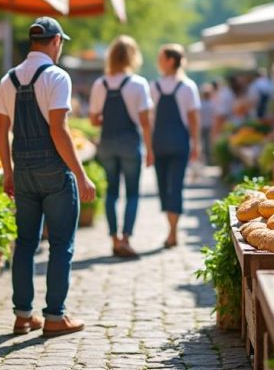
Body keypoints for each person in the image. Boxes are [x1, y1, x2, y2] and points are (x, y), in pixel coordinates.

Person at [0, 17, 95, 338]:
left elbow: (1, 129)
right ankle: (54, 316)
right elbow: (58, 130)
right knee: (61, 244)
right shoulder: (56, 77)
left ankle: (23, 316)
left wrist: (8, 171)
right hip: (54, 171)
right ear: (56, 41)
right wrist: (81, 174)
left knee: (25, 244)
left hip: (23, 171)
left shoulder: (8, 79)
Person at [88, 35, 154, 258]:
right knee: (132, 194)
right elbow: (145, 122)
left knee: (112, 193)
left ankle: (114, 239)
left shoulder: (100, 84)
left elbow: (93, 120)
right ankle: (126, 238)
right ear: (133, 57)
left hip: (107, 143)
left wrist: (108, 120)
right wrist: (150, 150)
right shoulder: (138, 83)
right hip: (130, 143)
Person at [151, 44, 201, 249]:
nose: (158, 62)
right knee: (174, 186)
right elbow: (193, 119)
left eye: (161, 58)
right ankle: (172, 230)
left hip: (160, 142)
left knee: (165, 186)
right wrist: (196, 144)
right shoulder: (187, 86)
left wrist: (149, 146)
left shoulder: (155, 86)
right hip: (179, 142)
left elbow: (150, 119)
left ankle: (172, 231)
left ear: (171, 61)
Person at [199, 82, 215, 165]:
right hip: (209, 126)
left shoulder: (201, 104)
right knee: (208, 144)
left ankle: (205, 160)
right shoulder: (212, 104)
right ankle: (208, 160)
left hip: (203, 126)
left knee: (204, 143)